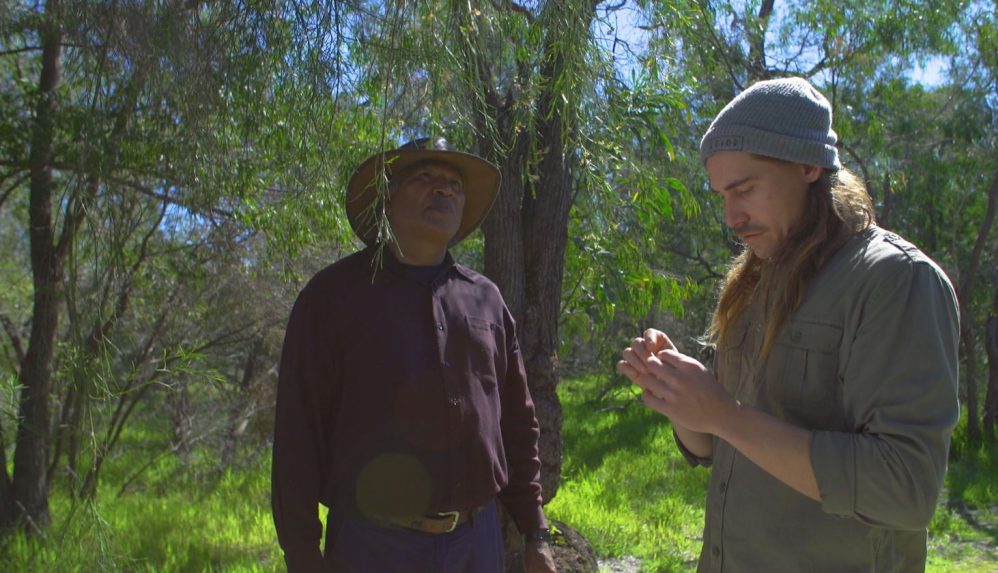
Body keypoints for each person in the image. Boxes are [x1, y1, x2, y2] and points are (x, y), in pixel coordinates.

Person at [618, 77, 960, 572]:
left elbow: (905, 489)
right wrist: (682, 398)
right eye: (721, 195)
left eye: (745, 189)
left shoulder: (894, 281)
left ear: (807, 165)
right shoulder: (754, 282)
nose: (731, 216)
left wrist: (723, 413)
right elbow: (719, 447)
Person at [272, 137, 557, 572]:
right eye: (425, 178)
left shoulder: (486, 301)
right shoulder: (332, 299)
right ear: (387, 200)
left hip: (476, 544)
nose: (443, 190)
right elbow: (298, 431)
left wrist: (536, 534)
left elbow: (517, 421)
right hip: (372, 545)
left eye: (454, 184)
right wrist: (302, 551)